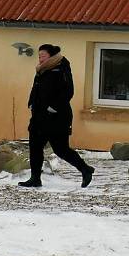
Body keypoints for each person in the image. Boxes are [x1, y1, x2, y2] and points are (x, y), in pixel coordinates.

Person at [21, 43, 93, 188]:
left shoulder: (61, 67)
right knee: (35, 147)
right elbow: (36, 88)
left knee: (61, 149)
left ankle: (85, 170)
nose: (40, 58)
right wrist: (31, 102)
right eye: (39, 56)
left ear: (51, 56)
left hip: (57, 117)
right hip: (38, 116)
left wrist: (53, 107)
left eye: (43, 56)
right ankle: (35, 178)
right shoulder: (41, 70)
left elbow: (68, 91)